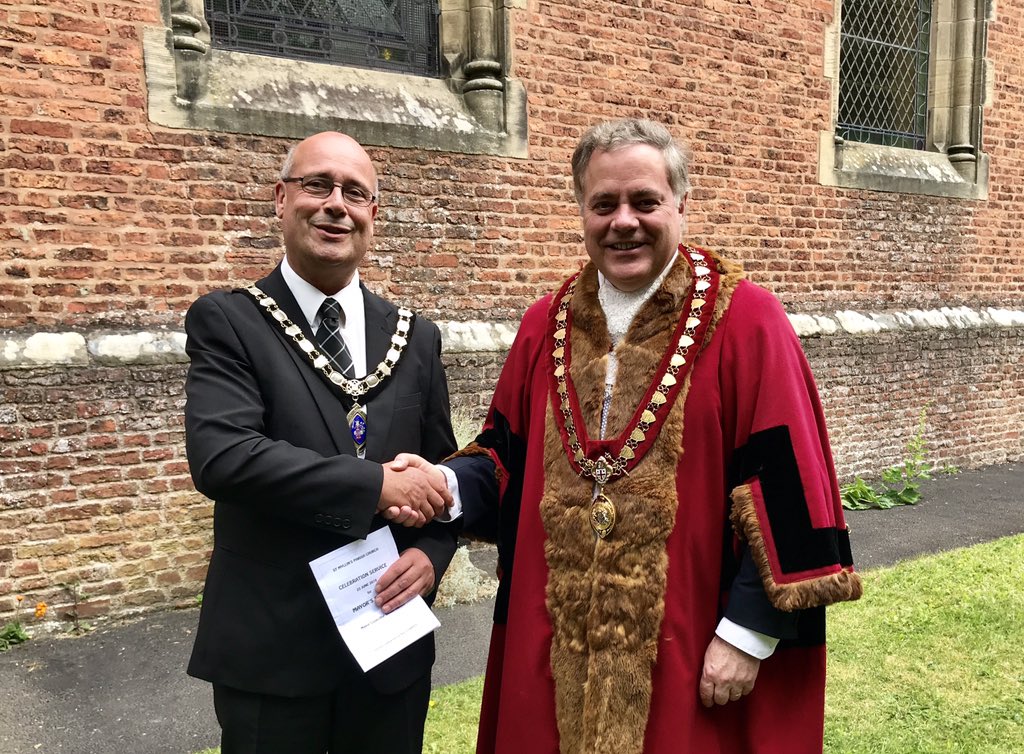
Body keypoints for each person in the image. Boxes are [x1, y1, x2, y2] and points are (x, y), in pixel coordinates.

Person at [441, 118, 863, 754]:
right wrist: (441, 483)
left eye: (645, 201)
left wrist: (748, 633)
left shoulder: (748, 321)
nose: (623, 221)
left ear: (681, 204)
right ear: (582, 211)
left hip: (691, 640)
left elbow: (788, 482)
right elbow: (505, 456)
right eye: (603, 204)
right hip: (553, 634)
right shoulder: (544, 325)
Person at [183, 131, 457, 754]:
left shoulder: (416, 337)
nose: (336, 204)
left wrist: (432, 555)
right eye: (317, 185)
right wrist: (378, 485)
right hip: (274, 651)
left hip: (390, 646)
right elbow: (224, 457)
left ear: (372, 216)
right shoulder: (230, 320)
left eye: (354, 192)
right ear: (281, 199)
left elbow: (443, 473)